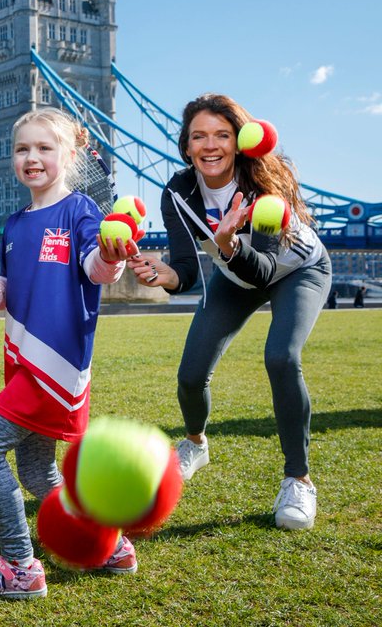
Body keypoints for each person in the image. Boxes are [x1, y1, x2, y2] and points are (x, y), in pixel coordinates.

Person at [0, 108, 134, 600]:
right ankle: (108, 541)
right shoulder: (14, 224)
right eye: (21, 149)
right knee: (36, 470)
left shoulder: (81, 212)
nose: (31, 158)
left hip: (55, 367)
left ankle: (19, 565)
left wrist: (112, 256)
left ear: (69, 156)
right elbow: (16, 285)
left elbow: (95, 267)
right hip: (22, 361)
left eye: (44, 148)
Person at [130, 93, 330, 530]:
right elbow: (185, 268)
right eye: (199, 136)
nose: (211, 145)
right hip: (235, 272)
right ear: (186, 147)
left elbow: (265, 270)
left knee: (282, 357)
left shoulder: (262, 189)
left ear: (239, 143)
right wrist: (167, 275)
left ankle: (299, 480)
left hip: (298, 269)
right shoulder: (177, 192)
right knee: (189, 374)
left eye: (222, 134)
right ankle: (196, 444)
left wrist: (228, 244)